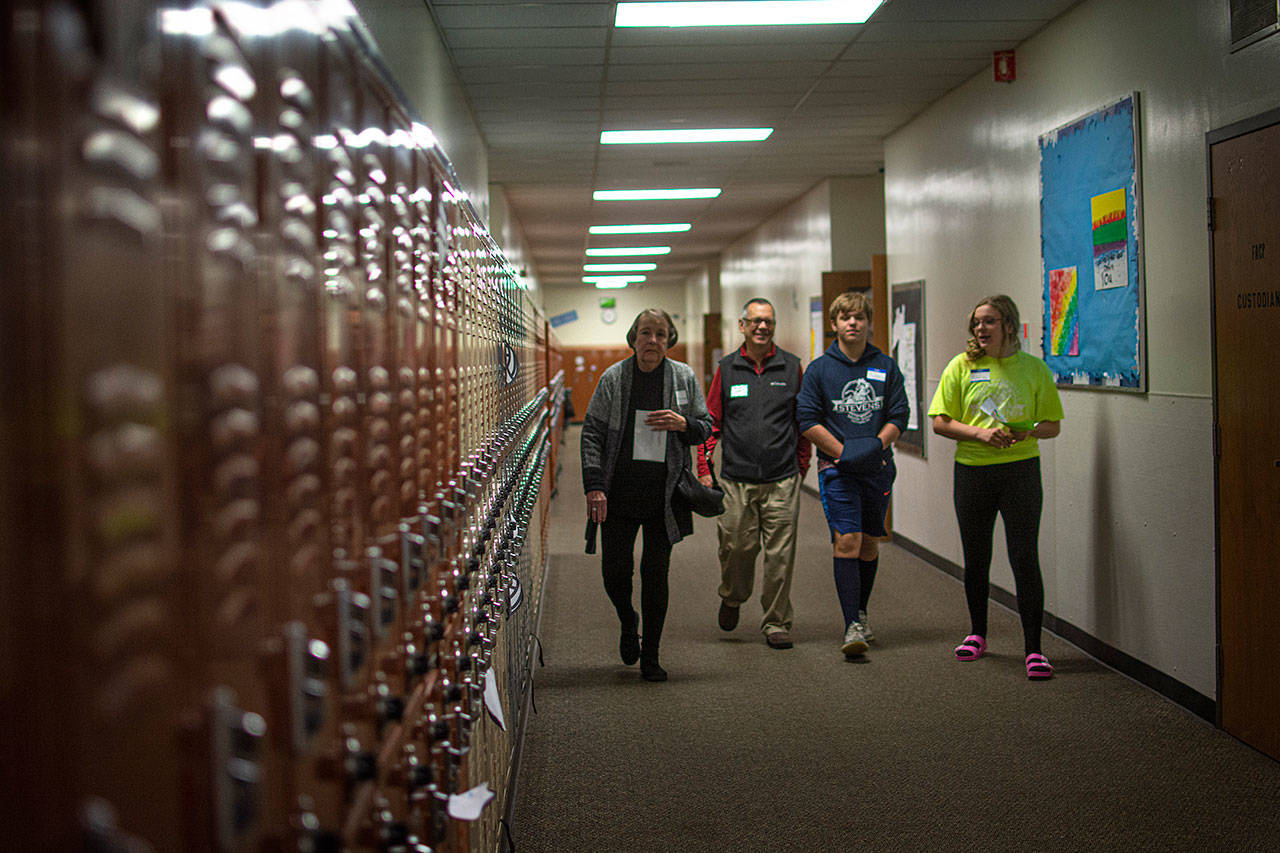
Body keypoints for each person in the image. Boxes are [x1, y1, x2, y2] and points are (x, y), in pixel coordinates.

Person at [927, 294, 1064, 680]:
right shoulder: (962, 366)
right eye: (976, 323)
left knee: (1024, 557)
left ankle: (1034, 649)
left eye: (988, 321)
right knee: (977, 557)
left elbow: (1052, 426)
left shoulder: (1034, 369)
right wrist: (980, 435)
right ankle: (977, 633)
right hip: (973, 472)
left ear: (1009, 325)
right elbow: (940, 421)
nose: (981, 329)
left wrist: (1025, 433)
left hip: (1020, 471)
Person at [581, 308, 713, 682]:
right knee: (615, 574)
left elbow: (706, 426)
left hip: (664, 497)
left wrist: (684, 423)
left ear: (669, 339)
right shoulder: (614, 379)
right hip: (618, 495)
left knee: (656, 574)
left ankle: (651, 655)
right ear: (633, 338)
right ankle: (628, 619)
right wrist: (595, 486)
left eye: (659, 334)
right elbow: (591, 433)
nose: (652, 341)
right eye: (645, 333)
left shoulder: (683, 377)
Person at [797, 290, 908, 658]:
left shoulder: (885, 366)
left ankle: (861, 610)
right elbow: (807, 420)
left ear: (868, 322)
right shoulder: (819, 369)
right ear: (834, 324)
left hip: (877, 469)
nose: (852, 322)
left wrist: (875, 447)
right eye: (845, 317)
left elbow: (898, 416)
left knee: (870, 542)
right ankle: (850, 625)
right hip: (838, 469)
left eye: (859, 317)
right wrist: (845, 453)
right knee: (848, 540)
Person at [697, 298, 811, 649]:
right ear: (742, 326)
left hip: (782, 478)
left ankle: (776, 622)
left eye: (769, 322)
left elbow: (802, 424)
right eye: (756, 322)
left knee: (780, 555)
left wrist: (801, 467)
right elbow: (711, 423)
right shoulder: (728, 369)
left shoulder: (792, 368)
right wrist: (704, 466)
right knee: (736, 547)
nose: (763, 327)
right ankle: (733, 596)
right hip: (736, 479)